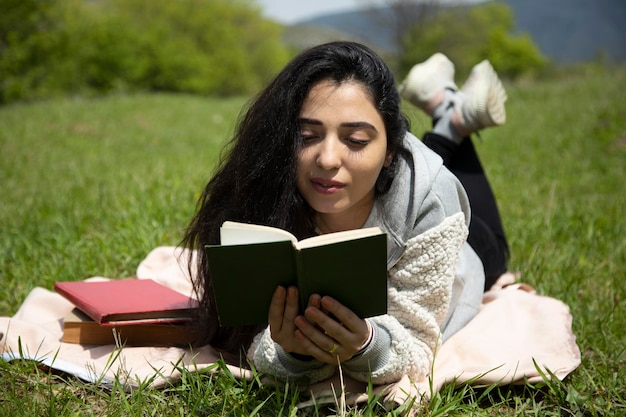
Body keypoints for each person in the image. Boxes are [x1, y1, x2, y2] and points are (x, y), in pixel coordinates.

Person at [181, 41, 510, 385]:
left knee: (495, 248)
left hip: (463, 251)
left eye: (355, 140)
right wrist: (294, 353)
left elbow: (416, 344)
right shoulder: (263, 187)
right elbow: (248, 335)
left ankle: (451, 118)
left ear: (390, 151)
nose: (327, 159)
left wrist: (367, 345)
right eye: (307, 136)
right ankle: (446, 108)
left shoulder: (433, 201)